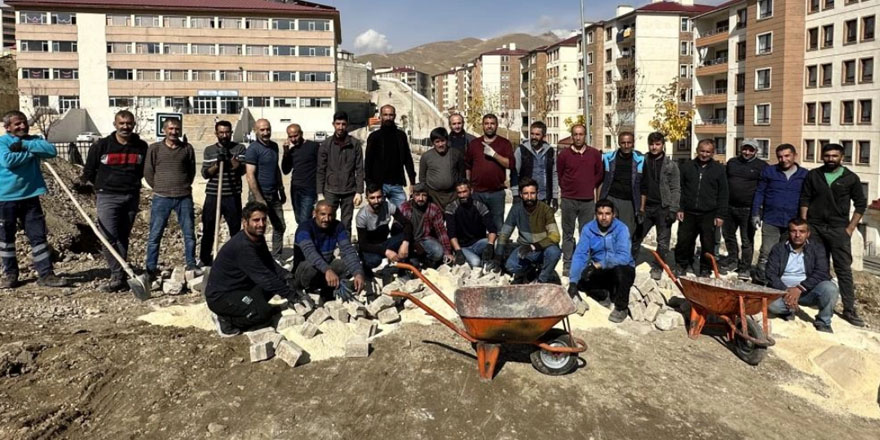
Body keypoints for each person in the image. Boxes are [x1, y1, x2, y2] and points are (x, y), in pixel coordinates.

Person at [204, 202, 312, 337]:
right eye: (256, 220)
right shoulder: (243, 247)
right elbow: (265, 278)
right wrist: (292, 296)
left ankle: (254, 306)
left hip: (241, 287)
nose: (261, 224)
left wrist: (288, 277)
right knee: (264, 315)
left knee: (279, 282)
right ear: (245, 222)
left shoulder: (257, 238)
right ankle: (225, 320)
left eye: (263, 219)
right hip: (223, 296)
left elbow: (269, 263)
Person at [799, 143, 867, 327]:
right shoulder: (814, 175)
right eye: (827, 155)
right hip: (816, 227)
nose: (830, 159)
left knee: (843, 269)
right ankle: (814, 298)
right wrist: (805, 224)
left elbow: (861, 204)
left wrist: (850, 228)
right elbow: (805, 199)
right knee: (815, 265)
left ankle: (849, 309)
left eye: (834, 156)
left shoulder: (850, 178)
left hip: (838, 229)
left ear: (841, 157)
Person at [0, 110, 69, 288]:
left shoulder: (33, 140)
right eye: (17, 124)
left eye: (24, 122)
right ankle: (10, 274)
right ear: (8, 127)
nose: (22, 126)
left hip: (30, 197)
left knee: (38, 236)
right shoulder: (2, 142)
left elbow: (51, 150)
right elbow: (8, 160)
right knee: (6, 238)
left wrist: (24, 146)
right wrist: (32, 153)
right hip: (5, 198)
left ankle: (46, 274)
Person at [81, 110, 147, 292]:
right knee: (108, 237)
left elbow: (143, 170)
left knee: (123, 237)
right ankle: (117, 274)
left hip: (131, 196)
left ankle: (122, 273)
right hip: (108, 196)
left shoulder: (141, 146)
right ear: (115, 124)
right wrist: (91, 186)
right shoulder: (101, 146)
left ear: (133, 125)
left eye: (129, 123)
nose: (125, 127)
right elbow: (89, 171)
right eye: (122, 123)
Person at [144, 117, 197, 278]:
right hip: (161, 197)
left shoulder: (187, 148)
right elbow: (148, 172)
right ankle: (150, 268)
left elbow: (191, 171)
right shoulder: (154, 149)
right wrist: (159, 186)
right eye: (170, 129)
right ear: (164, 130)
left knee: (189, 234)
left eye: (176, 129)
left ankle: (191, 264)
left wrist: (183, 185)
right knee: (155, 234)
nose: (174, 132)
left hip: (184, 197)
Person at [765, 218, 839, 333]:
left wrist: (799, 288)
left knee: (830, 289)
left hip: (807, 291)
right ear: (789, 233)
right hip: (784, 291)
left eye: (802, 231)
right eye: (793, 231)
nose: (797, 235)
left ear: (808, 233)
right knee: (772, 306)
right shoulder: (779, 249)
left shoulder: (817, 248)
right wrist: (786, 291)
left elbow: (822, 272)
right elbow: (770, 273)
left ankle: (823, 322)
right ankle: (789, 310)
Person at [568, 199, 635, 323]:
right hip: (601, 270)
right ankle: (604, 294)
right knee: (582, 280)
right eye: (600, 213)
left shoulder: (621, 229)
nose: (604, 218)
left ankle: (621, 307)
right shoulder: (588, 229)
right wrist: (573, 282)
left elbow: (624, 257)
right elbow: (580, 255)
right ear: (595, 214)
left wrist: (599, 264)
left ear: (613, 215)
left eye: (607, 214)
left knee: (621, 271)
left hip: (621, 268)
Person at [751, 144, 807, 284]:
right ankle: (760, 280)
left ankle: (777, 280)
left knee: (785, 252)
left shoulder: (804, 174)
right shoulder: (769, 171)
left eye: (787, 156)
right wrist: (755, 212)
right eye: (780, 157)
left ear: (795, 155)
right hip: (771, 218)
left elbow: (808, 198)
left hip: (793, 221)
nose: (784, 159)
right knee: (766, 251)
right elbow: (760, 192)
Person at [674, 139, 728, 277]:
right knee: (684, 241)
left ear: (713, 153)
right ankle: (682, 265)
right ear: (697, 150)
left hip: (709, 213)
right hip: (688, 212)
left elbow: (723, 193)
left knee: (708, 243)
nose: (704, 154)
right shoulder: (687, 166)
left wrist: (721, 215)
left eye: (708, 152)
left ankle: (705, 268)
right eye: (702, 151)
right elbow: (680, 189)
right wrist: (680, 208)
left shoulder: (719, 169)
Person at [292, 200, 366, 300]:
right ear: (315, 213)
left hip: (325, 269)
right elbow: (310, 252)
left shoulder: (337, 226)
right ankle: (302, 289)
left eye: (330, 215)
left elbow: (347, 250)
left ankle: (327, 291)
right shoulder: (304, 228)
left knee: (346, 265)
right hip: (305, 271)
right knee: (311, 267)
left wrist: (358, 273)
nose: (326, 219)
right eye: (323, 214)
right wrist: (327, 270)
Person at [495, 177, 562, 284]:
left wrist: (533, 246)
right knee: (510, 266)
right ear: (521, 194)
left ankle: (541, 279)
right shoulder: (516, 209)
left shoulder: (546, 209)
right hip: (525, 248)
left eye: (532, 193)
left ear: (537, 193)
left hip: (543, 247)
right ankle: (529, 270)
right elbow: (504, 233)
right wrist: (498, 257)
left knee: (554, 252)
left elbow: (555, 236)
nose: (529, 197)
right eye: (526, 194)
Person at [557, 124, 603, 275]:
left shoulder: (595, 154)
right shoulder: (563, 155)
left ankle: (584, 261)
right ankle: (568, 263)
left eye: (581, 134)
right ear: (572, 136)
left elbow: (599, 174)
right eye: (575, 134)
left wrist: (589, 184)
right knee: (568, 232)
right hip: (569, 199)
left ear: (585, 136)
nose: (578, 137)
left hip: (587, 200)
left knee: (586, 233)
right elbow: (560, 174)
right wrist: (567, 187)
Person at [199, 120, 246, 266]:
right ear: (216, 133)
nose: (224, 135)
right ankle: (205, 259)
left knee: (235, 228)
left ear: (231, 133)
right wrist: (217, 164)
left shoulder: (239, 148)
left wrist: (230, 160)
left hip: (232, 194)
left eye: (227, 132)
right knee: (209, 228)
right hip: (213, 194)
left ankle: (235, 259)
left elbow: (242, 170)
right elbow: (205, 174)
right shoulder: (209, 150)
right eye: (221, 132)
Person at [720, 139, 767, 277]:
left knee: (746, 240)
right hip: (730, 207)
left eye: (750, 150)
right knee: (728, 235)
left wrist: (758, 211)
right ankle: (733, 260)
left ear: (756, 151)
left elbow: (764, 188)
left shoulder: (762, 166)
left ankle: (745, 267)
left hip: (748, 209)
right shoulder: (732, 162)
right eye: (745, 149)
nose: (747, 152)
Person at [636, 132, 680, 280]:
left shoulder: (670, 165)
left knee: (663, 241)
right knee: (636, 236)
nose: (654, 147)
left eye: (657, 144)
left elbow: (675, 188)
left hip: (663, 207)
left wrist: (673, 209)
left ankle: (658, 266)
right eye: (652, 144)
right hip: (646, 206)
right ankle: (629, 262)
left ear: (663, 145)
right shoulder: (642, 161)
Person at [465, 114, 515, 232]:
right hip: (477, 193)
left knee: (498, 226)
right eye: (486, 123)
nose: (489, 126)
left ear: (497, 125)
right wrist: (468, 184)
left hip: (496, 193)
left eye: (492, 123)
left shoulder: (504, 143)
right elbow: (467, 165)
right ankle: (480, 249)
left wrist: (494, 155)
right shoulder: (474, 144)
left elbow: (510, 164)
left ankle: (498, 249)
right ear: (482, 125)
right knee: (477, 225)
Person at [317, 111, 364, 236]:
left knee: (346, 222)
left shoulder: (355, 144)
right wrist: (320, 193)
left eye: (343, 124)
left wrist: (359, 191)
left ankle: (345, 251)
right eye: (338, 124)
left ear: (347, 125)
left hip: (349, 191)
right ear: (333, 124)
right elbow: (321, 169)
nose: (340, 127)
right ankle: (328, 251)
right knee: (327, 221)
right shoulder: (326, 144)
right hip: (330, 191)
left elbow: (359, 168)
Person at [245, 118, 286, 259]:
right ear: (256, 131)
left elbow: (276, 169)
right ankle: (254, 256)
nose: (266, 132)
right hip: (259, 195)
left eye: (268, 129)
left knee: (280, 226)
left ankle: (276, 257)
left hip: (274, 194)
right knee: (256, 228)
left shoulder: (274, 146)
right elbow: (250, 175)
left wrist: (281, 189)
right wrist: (259, 199)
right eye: (262, 130)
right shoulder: (253, 149)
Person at [356, 183, 413, 278]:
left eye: (379, 197)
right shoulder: (362, 216)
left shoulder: (388, 206)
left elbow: (407, 224)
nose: (376, 201)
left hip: (384, 242)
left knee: (406, 236)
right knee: (374, 260)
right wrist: (386, 251)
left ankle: (402, 271)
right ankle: (365, 271)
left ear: (383, 196)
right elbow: (363, 244)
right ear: (367, 199)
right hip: (371, 247)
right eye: (372, 198)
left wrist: (405, 243)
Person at [365, 104, 416, 208]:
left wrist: (412, 182)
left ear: (395, 116)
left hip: (396, 184)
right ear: (380, 116)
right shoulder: (374, 137)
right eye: (385, 115)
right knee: (378, 218)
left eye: (391, 115)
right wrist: (369, 184)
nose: (388, 117)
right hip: (378, 185)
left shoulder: (401, 136)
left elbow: (408, 159)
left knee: (403, 215)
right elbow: (368, 162)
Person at [599, 131, 643, 250]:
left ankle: (622, 261)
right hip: (611, 198)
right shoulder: (608, 158)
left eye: (629, 142)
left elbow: (644, 186)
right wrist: (600, 201)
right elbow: (601, 180)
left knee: (626, 232)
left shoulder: (640, 159)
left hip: (629, 201)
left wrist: (641, 207)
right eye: (623, 143)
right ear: (619, 143)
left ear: (633, 143)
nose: (626, 145)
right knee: (607, 231)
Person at [398, 183, 454, 268]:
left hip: (424, 239)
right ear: (412, 195)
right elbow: (396, 230)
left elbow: (441, 231)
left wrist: (447, 252)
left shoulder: (433, 208)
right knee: (411, 261)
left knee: (439, 252)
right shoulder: (404, 208)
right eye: (417, 195)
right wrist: (410, 244)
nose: (421, 198)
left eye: (424, 195)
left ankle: (423, 259)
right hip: (407, 240)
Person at [444, 179, 497, 268]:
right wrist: (458, 251)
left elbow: (492, 229)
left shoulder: (480, 206)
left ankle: (489, 261)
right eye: (459, 193)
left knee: (496, 243)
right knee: (476, 262)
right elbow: (451, 233)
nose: (462, 195)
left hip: (478, 242)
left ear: (471, 191)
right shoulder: (451, 208)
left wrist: (490, 245)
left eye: (465, 192)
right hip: (462, 246)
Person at [512, 121, 559, 208]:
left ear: (544, 136)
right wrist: (515, 194)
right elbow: (515, 173)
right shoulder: (521, 150)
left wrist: (555, 196)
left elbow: (554, 174)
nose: (534, 137)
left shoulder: (550, 152)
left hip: (544, 197)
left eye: (537, 134)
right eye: (532, 134)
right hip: (526, 197)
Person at [281, 123, 320, 226]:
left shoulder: (313, 146)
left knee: (304, 220)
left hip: (309, 189)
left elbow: (322, 167)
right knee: (298, 219)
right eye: (290, 136)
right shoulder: (291, 151)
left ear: (301, 134)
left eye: (295, 135)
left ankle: (305, 241)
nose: (293, 139)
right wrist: (285, 153)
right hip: (295, 189)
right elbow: (285, 170)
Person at [419, 127, 465, 208]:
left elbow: (462, 174)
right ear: (433, 143)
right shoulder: (426, 156)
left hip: (453, 195)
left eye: (443, 141)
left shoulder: (456, 154)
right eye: (437, 142)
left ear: (447, 141)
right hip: (434, 197)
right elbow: (422, 178)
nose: (440, 144)